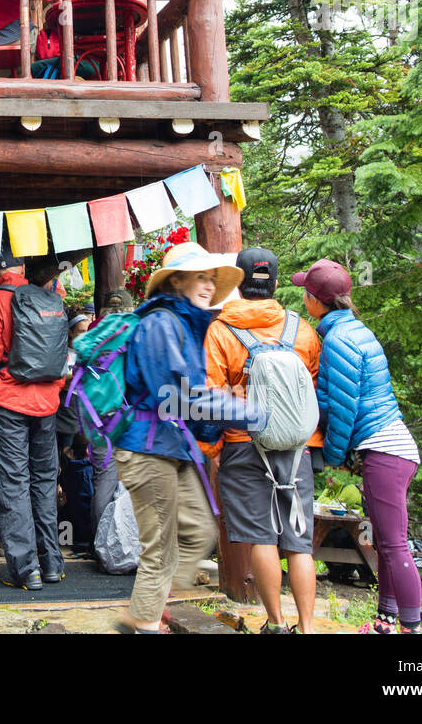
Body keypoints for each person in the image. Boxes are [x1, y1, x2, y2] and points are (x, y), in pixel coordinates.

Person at [110, 242, 250, 633]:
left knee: (201, 532)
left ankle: (143, 611)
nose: (208, 285)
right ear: (177, 280)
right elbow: (176, 396)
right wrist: (248, 412)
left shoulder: (187, 325)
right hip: (145, 448)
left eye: (211, 278)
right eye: (200, 277)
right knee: (160, 550)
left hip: (172, 446)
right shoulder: (160, 324)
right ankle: (144, 621)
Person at [294, 258, 422, 634]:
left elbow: (343, 408)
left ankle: (411, 628)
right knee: (384, 541)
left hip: (385, 451)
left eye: (307, 293)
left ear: (318, 300)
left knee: (395, 545)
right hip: (389, 448)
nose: (303, 299)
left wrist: (333, 456)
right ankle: (385, 623)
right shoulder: (354, 330)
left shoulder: (338, 339)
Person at [205, 247, 323, 633]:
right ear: (274, 282)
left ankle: (276, 623)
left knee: (261, 537)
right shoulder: (301, 330)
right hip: (294, 447)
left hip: (243, 444)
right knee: (298, 541)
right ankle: (307, 626)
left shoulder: (221, 331)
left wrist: (215, 449)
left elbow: (211, 398)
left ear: (238, 284)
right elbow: (313, 391)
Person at [0, 255, 67, 590]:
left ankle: (25, 570)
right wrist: (53, 391)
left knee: (13, 483)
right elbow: (59, 354)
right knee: (43, 482)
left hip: (8, 403)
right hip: (46, 403)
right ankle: (52, 564)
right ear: (23, 270)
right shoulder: (48, 299)